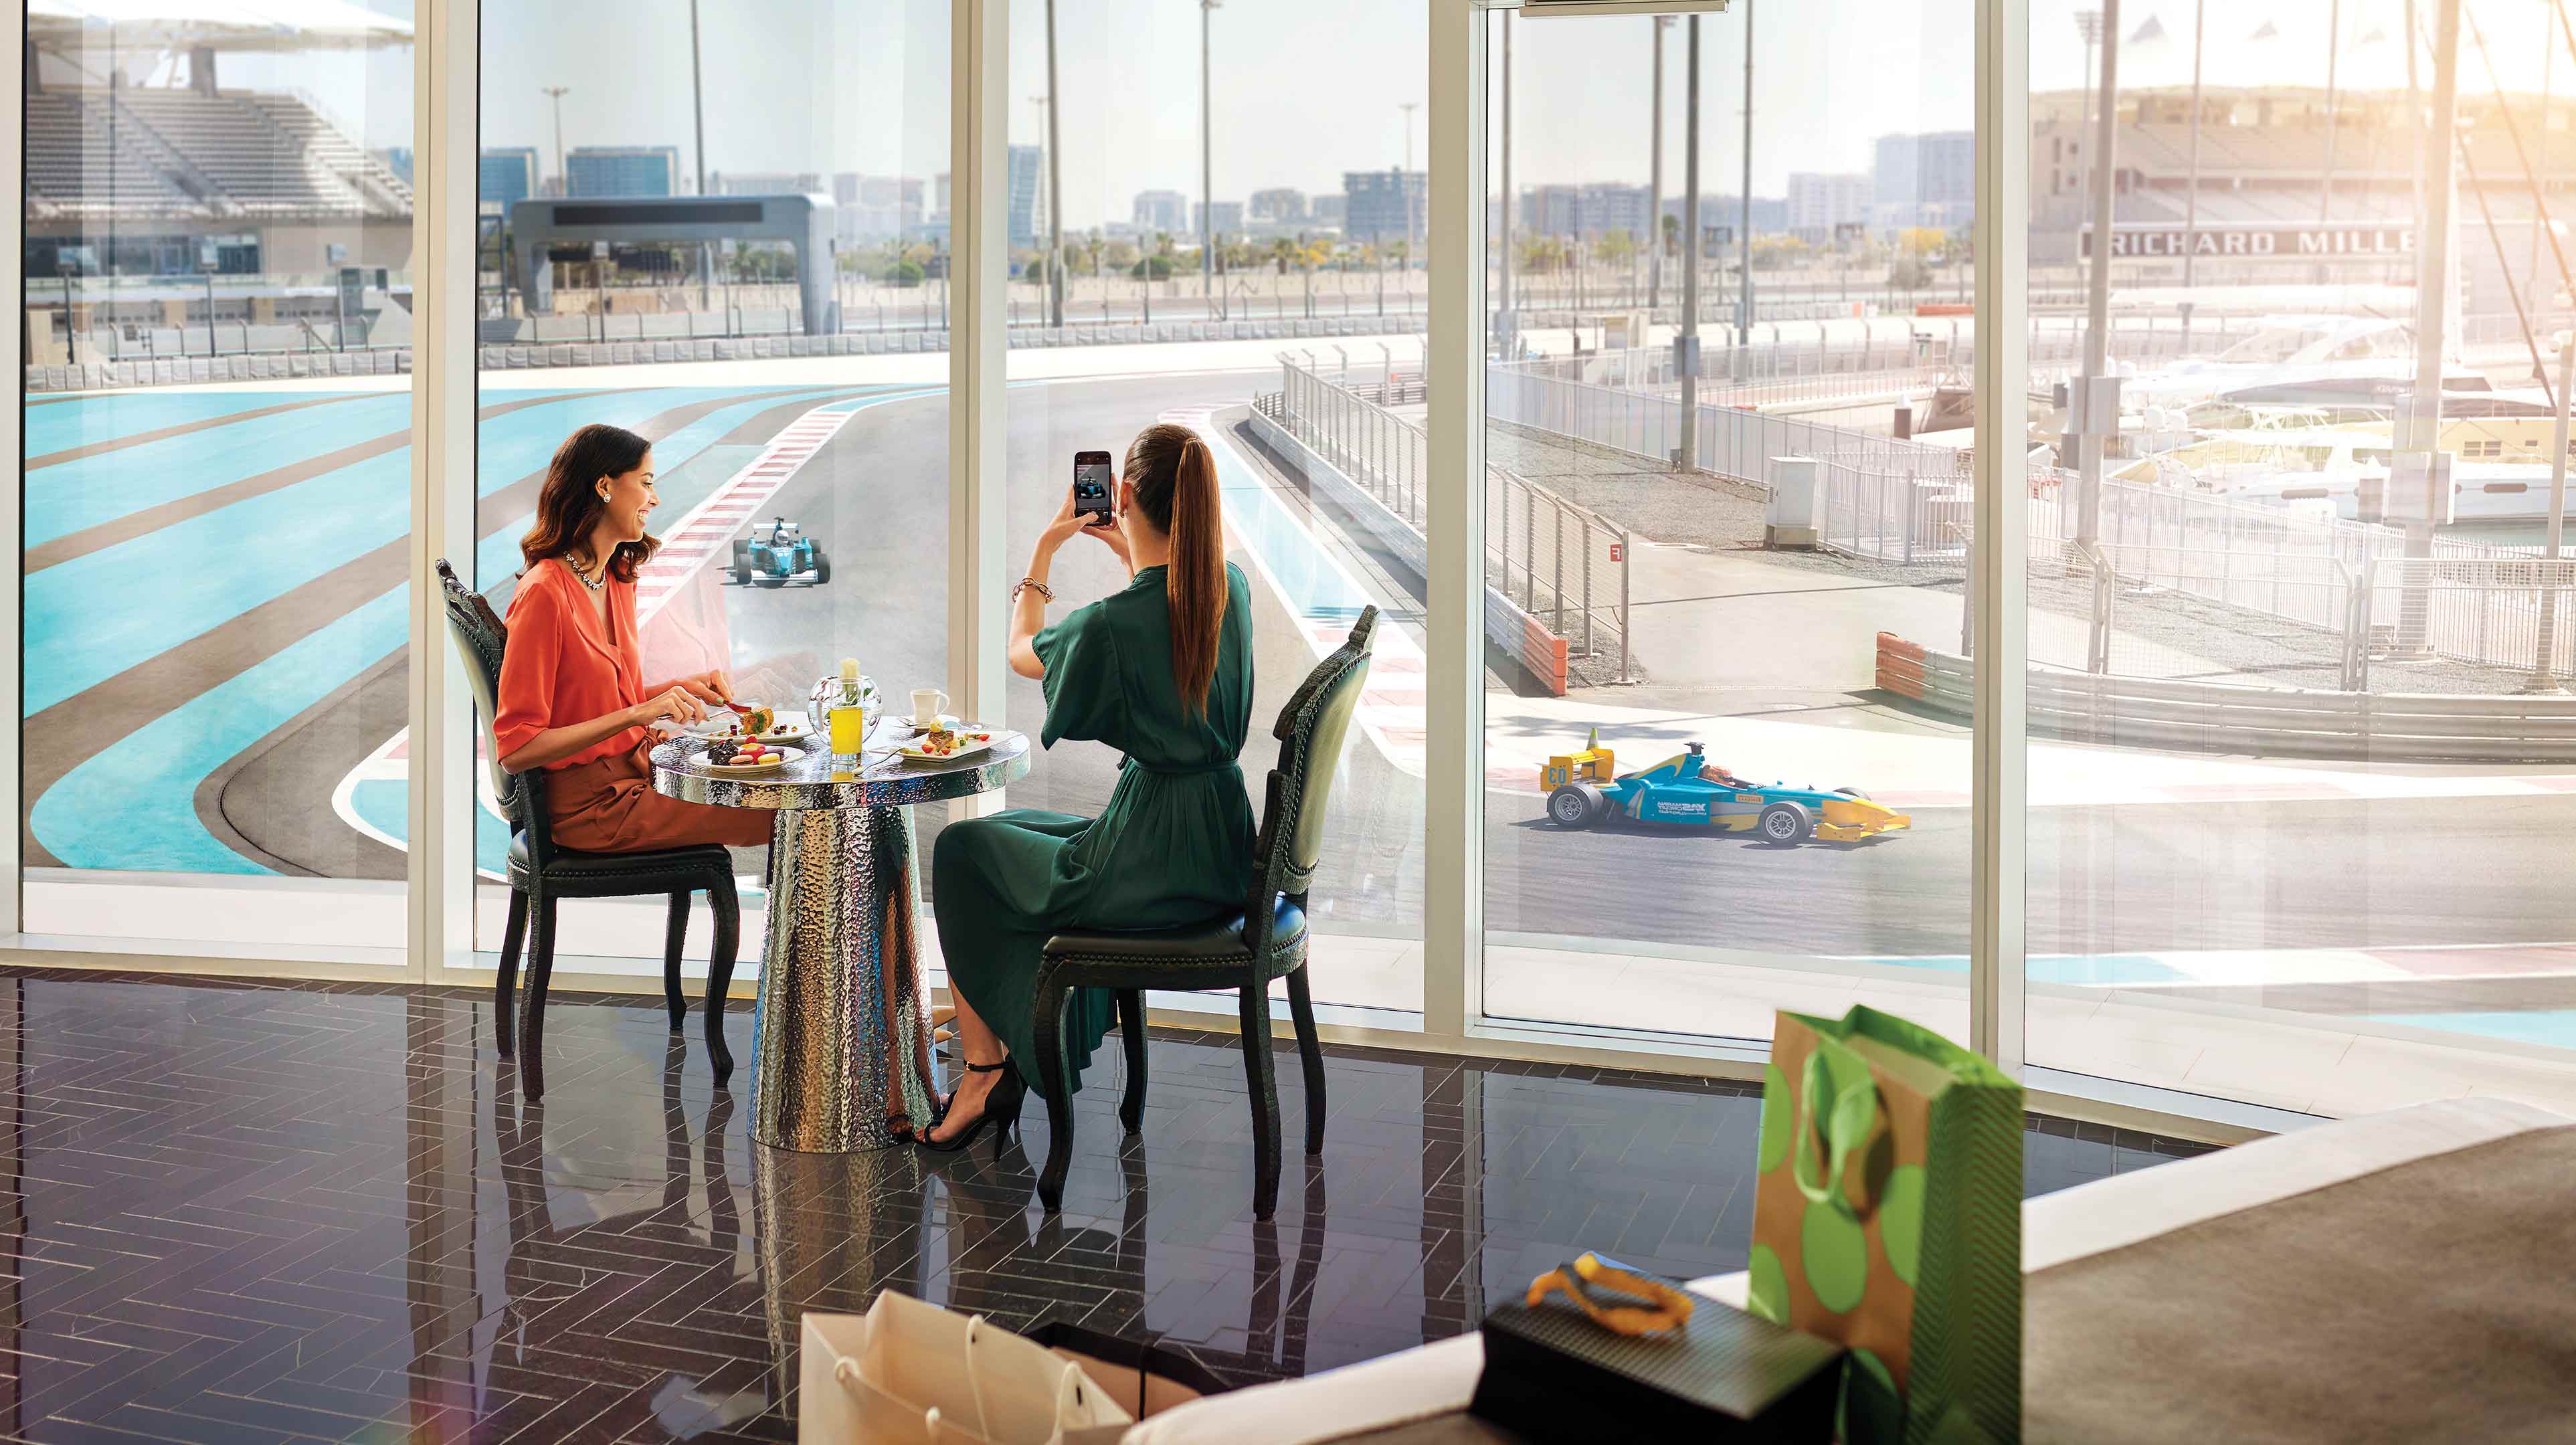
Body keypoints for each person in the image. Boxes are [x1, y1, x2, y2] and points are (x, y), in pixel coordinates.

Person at [921, 422, 1257, 1152]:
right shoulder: (1227, 587)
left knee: (961, 852)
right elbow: (1160, 614)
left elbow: (1021, 653)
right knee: (1014, 841)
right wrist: (1129, 549)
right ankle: (1006, 1043)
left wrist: (1044, 553)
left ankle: (984, 1071)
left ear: (1123, 494)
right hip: (1222, 850)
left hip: (1146, 861)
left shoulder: (1114, 623)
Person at [493, 423, 771, 852]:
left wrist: (671, 692)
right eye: (645, 483)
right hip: (595, 811)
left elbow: (593, 700)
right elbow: (518, 747)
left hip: (643, 773)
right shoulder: (544, 593)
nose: (654, 498)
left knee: (799, 789)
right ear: (605, 486)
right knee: (798, 811)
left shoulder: (617, 577)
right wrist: (638, 713)